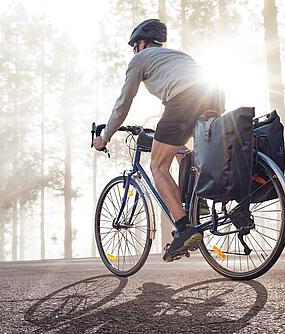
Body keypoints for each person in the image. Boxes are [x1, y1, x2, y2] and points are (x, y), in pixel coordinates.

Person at [92, 19, 224, 262]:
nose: (133, 50)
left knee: (157, 166)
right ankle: (199, 202)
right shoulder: (177, 55)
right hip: (214, 94)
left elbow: (123, 104)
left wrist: (105, 136)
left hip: (184, 99)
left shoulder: (140, 59)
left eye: (134, 45)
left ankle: (184, 229)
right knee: (183, 152)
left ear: (142, 43)